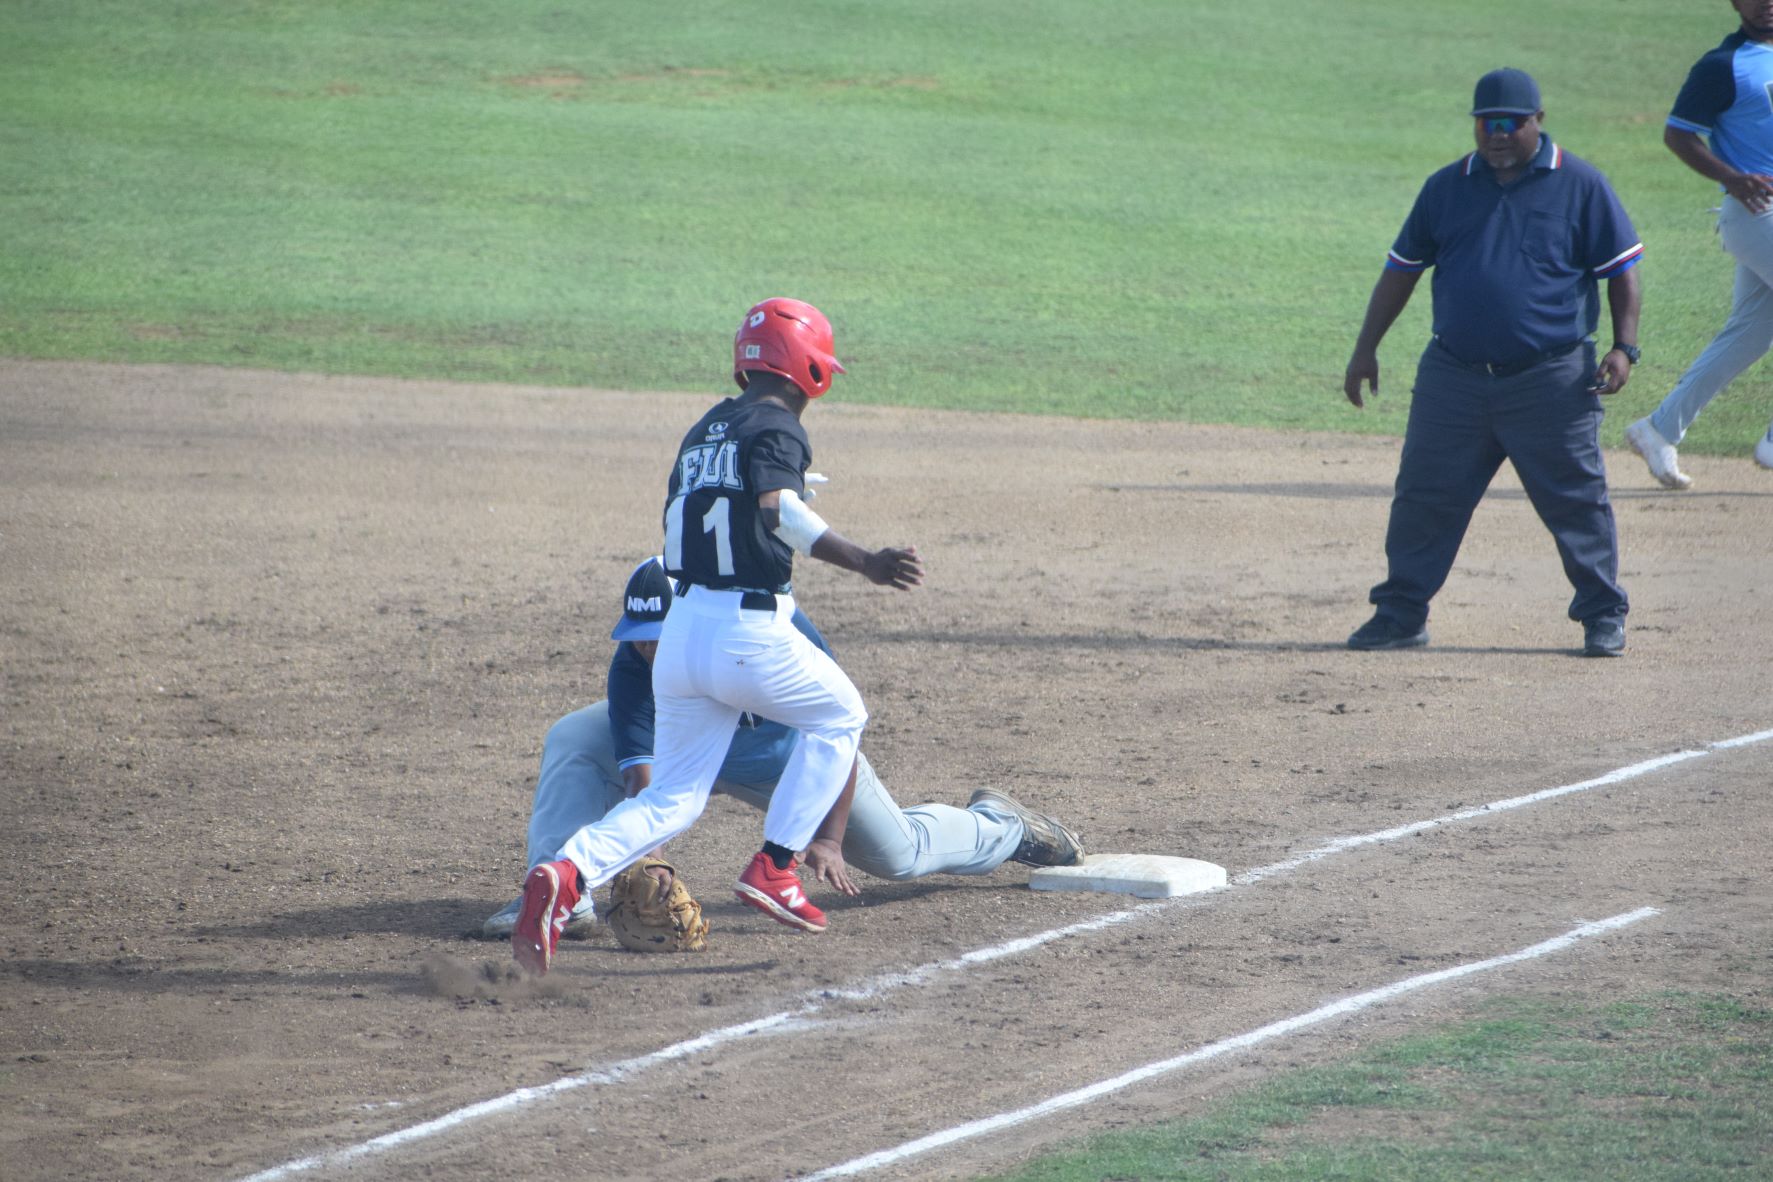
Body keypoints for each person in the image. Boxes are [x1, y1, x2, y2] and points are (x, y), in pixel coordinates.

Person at [516, 298, 924, 974]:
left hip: (681, 634)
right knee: (840, 717)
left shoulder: (705, 429)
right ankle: (776, 866)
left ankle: (566, 872)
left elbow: (717, 510)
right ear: (810, 368)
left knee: (673, 797)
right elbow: (776, 510)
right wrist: (865, 563)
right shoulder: (779, 426)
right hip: (747, 631)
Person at [483, 556, 1083, 943]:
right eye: (639, 640)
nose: (647, 651)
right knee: (575, 736)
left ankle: (1002, 826)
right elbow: (644, 780)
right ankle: (557, 895)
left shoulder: (773, 631)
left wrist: (828, 838)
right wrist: (649, 863)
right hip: (686, 759)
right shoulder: (636, 665)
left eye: (657, 637)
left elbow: (839, 729)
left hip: (783, 762)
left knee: (900, 854)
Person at [1342, 68, 1644, 659]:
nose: (1497, 134)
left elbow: (1622, 271)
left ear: (1538, 121)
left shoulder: (1581, 184)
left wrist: (1623, 347)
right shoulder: (1446, 186)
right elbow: (1401, 270)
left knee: (1575, 501)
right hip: (1453, 377)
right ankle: (1401, 613)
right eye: (1486, 123)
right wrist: (1364, 347)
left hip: (1550, 380)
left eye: (1510, 122)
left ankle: (1603, 615)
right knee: (1423, 497)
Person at [1624, 0, 1773, 490]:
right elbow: (1679, 134)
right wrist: (1731, 177)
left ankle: (1659, 429)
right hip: (1758, 210)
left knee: (1750, 333)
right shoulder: (1723, 65)